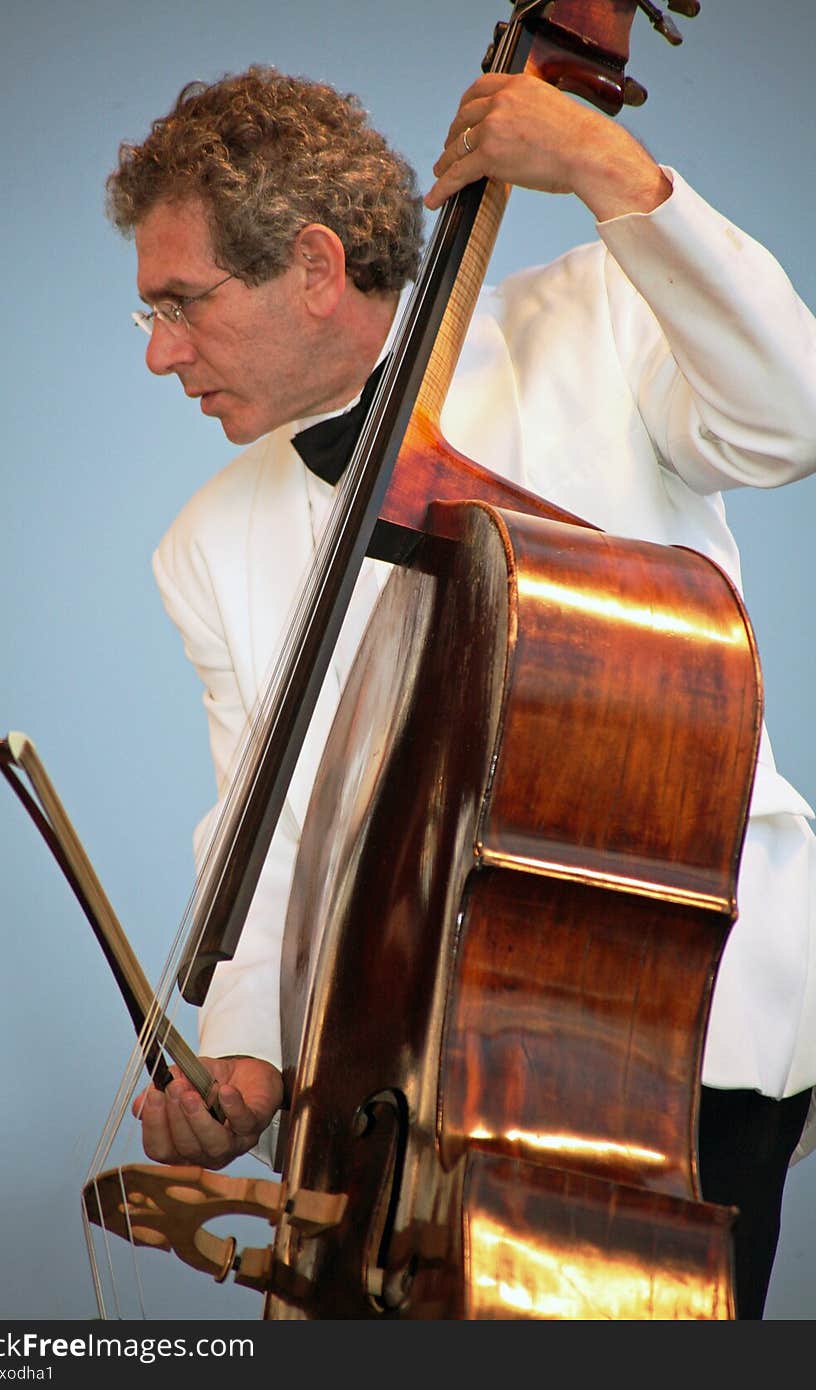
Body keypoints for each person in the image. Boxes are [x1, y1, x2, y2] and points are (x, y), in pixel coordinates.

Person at [105, 63, 816, 1318]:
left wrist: (614, 173)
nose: (161, 353)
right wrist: (250, 1059)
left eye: (181, 303)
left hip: (667, 1022)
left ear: (315, 266)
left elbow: (789, 420)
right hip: (412, 1079)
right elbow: (275, 841)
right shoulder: (204, 543)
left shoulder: (595, 318)